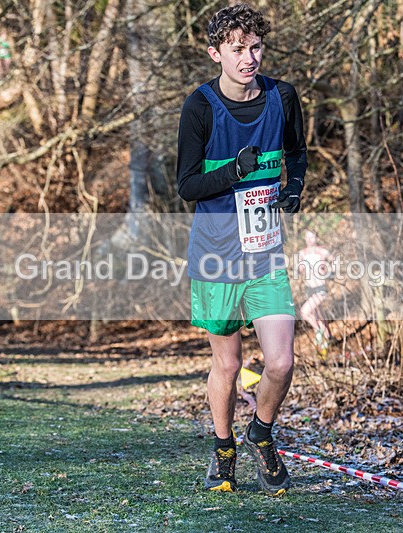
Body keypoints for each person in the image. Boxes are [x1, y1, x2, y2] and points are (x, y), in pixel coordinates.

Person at [176, 4, 307, 495]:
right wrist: (235, 170)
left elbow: (296, 152)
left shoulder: (283, 96)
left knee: (280, 363)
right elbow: (186, 185)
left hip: (265, 252)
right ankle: (223, 447)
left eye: (255, 48)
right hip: (216, 254)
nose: (249, 58)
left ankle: (262, 433)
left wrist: (293, 189)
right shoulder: (201, 107)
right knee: (228, 366)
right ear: (216, 54)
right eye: (237, 49)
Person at [296, 230, 332, 356]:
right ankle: (326, 345)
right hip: (309, 288)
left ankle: (318, 331)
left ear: (317, 238)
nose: (310, 239)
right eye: (308, 237)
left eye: (313, 237)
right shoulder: (302, 253)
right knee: (319, 316)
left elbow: (334, 263)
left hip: (320, 287)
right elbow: (300, 269)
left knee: (305, 312)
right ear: (305, 239)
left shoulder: (322, 251)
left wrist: (327, 270)